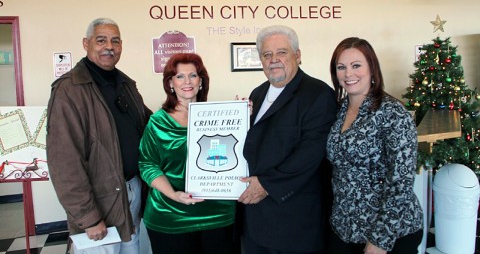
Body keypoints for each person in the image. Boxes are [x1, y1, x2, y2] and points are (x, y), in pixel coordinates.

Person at [46, 18, 152, 254]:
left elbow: (151, 124)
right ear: (86, 43)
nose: (109, 47)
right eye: (101, 40)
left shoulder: (126, 84)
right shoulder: (69, 90)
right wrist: (88, 217)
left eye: (115, 41)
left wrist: (192, 116)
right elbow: (64, 162)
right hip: (99, 202)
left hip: (132, 191)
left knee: (131, 248)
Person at [238, 25, 338, 254]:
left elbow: (310, 153)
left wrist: (265, 185)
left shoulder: (318, 94)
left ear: (297, 55)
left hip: (293, 222)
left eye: (281, 52)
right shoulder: (258, 93)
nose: (274, 60)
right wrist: (237, 117)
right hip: (255, 219)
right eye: (267, 54)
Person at [326, 37, 423, 254]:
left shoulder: (393, 113)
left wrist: (380, 240)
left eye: (356, 65)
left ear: (372, 68)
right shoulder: (339, 111)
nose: (348, 74)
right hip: (344, 228)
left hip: (389, 234)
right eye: (341, 67)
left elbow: (401, 182)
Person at [138, 53, 237, 254]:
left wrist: (243, 114)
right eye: (180, 76)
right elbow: (147, 164)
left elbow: (237, 154)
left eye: (192, 75)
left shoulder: (222, 116)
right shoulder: (158, 122)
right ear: (170, 83)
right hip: (170, 214)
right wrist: (173, 194)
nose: (187, 82)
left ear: (201, 81)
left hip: (217, 213)